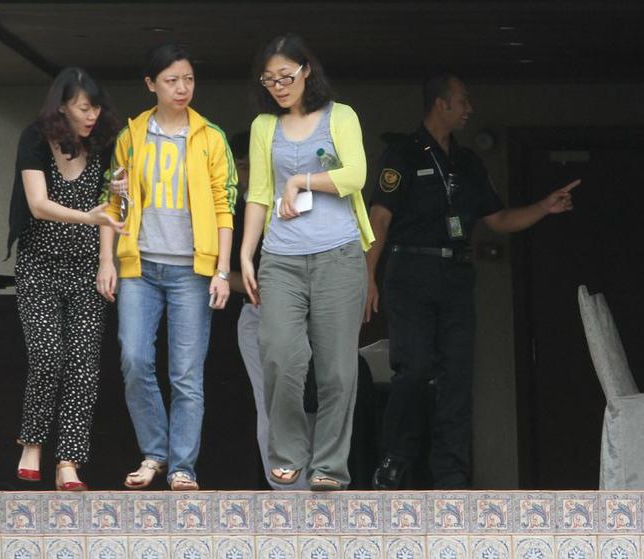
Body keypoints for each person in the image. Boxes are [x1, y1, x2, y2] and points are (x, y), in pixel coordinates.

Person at [366, 73, 579, 489]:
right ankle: (395, 459)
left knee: (457, 374)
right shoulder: (403, 153)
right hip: (410, 271)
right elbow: (380, 218)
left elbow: (497, 219)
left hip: (456, 274)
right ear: (440, 104)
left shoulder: (467, 163)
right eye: (463, 101)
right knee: (413, 368)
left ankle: (451, 472)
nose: (470, 109)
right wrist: (368, 274)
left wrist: (543, 208)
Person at [240, 34, 374, 491]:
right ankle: (289, 453)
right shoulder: (263, 126)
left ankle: (330, 466)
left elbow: (355, 175)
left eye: (287, 76)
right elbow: (259, 193)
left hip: (339, 254)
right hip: (281, 257)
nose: (279, 86)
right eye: (270, 79)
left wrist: (300, 180)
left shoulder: (340, 116)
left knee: (337, 367)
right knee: (280, 354)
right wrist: (245, 251)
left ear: (307, 71)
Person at [102, 43, 237, 491]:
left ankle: (182, 466)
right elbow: (113, 201)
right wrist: (108, 259)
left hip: (191, 273)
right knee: (134, 358)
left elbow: (224, 205)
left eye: (189, 79)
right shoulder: (131, 134)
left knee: (186, 373)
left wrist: (221, 270)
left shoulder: (210, 136)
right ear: (151, 85)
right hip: (139, 266)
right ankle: (155, 452)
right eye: (171, 80)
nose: (182, 89)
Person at [7, 67, 124, 491]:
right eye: (82, 107)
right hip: (39, 265)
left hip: (87, 267)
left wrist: (107, 261)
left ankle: (69, 461)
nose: (91, 115)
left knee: (84, 367)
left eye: (95, 107)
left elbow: (112, 206)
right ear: (62, 107)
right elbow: (38, 205)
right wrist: (86, 217)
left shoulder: (106, 143)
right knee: (47, 356)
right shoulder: (35, 139)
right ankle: (33, 441)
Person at [229, 131, 315, 490]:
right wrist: (256, 285)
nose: (245, 172)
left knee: (317, 399)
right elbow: (209, 269)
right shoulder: (229, 210)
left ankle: (320, 484)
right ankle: (289, 493)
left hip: (308, 310)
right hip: (259, 313)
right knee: (271, 404)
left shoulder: (291, 199)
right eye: (242, 165)